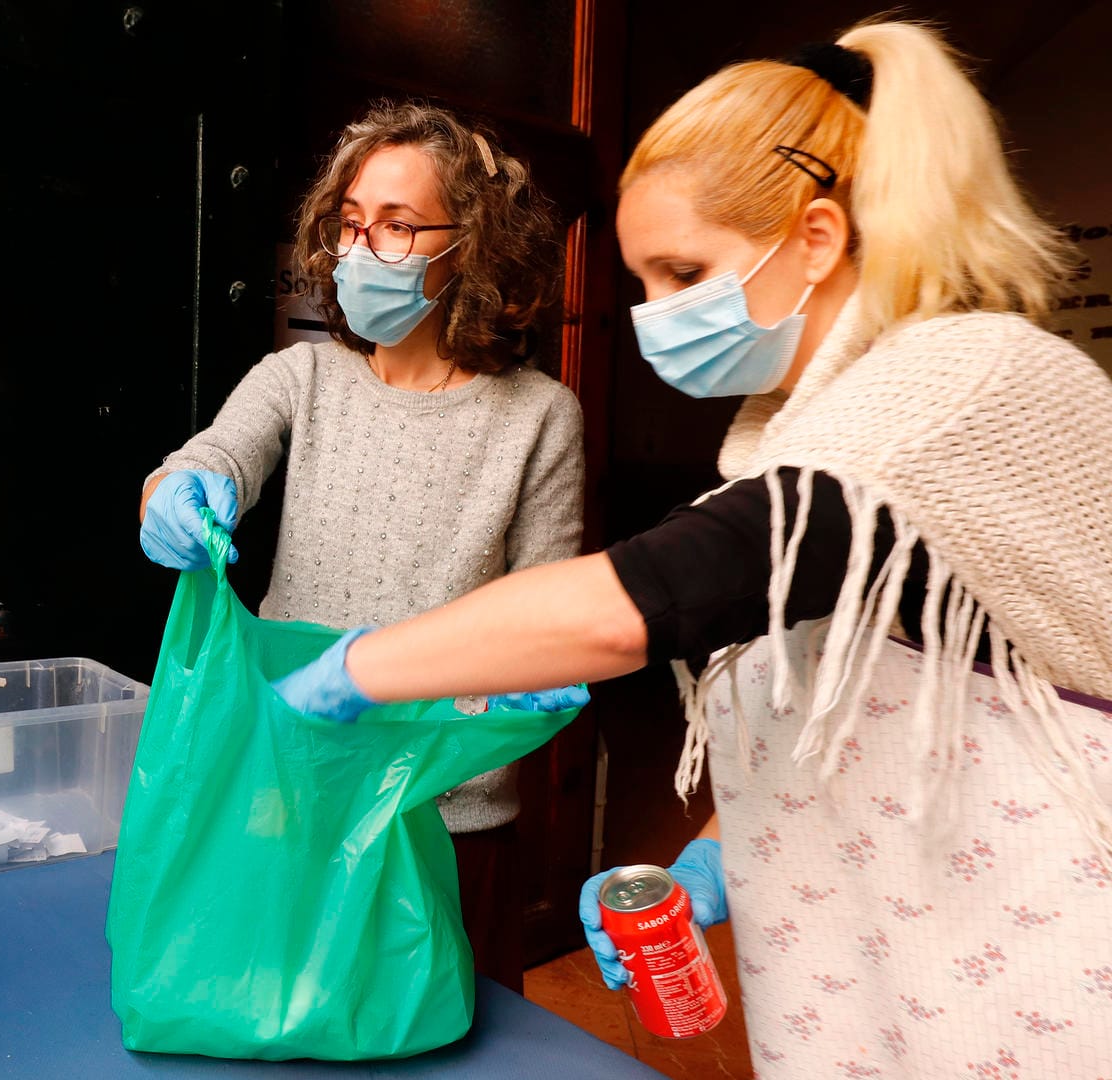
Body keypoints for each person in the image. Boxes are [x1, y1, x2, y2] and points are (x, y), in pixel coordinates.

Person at [275, 21, 1112, 1077]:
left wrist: (358, 670)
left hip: (1042, 953)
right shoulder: (797, 424)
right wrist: (712, 858)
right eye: (644, 281)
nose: (654, 316)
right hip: (902, 960)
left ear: (815, 237)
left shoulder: (956, 390)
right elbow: (835, 684)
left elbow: (656, 593)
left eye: (684, 272)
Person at [138, 102, 582, 990]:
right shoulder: (298, 377)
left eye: (397, 226)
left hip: (442, 817)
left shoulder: (540, 416)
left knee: (451, 1041)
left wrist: (512, 698)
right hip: (287, 791)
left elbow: (551, 617)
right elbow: (211, 456)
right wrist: (174, 492)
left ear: (475, 247)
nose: (358, 250)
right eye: (348, 225)